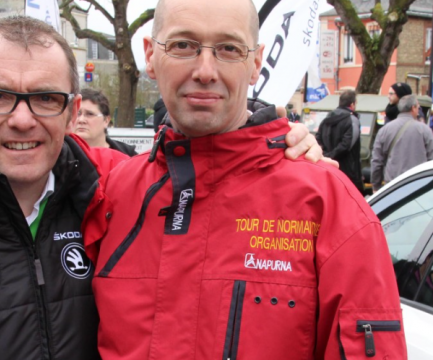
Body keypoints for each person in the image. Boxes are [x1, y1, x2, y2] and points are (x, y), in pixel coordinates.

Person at [0, 16, 322, 360]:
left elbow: (214, 180)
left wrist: (277, 146)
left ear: (73, 112)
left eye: (46, 99)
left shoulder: (119, 193)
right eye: (0, 97)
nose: (23, 120)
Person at [84, 1, 406, 359]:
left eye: (229, 49)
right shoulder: (110, 195)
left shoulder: (329, 204)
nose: (205, 70)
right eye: (183, 45)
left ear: (254, 64)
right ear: (150, 55)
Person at [371, 94, 433, 192]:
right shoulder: (425, 130)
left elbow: (377, 161)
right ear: (413, 108)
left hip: (393, 186)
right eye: (418, 107)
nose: (419, 110)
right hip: (419, 185)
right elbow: (431, 160)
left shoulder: (384, 130)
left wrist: (376, 186)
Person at [316, 90, 363, 193]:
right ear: (352, 104)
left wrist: (326, 155)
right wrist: (332, 155)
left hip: (328, 167)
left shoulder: (327, 118)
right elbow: (347, 144)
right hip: (348, 169)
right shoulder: (352, 120)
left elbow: (318, 138)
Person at [74, 88, 137, 156]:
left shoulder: (128, 156)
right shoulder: (62, 156)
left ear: (106, 120)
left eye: (90, 114)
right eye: (77, 114)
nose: (81, 120)